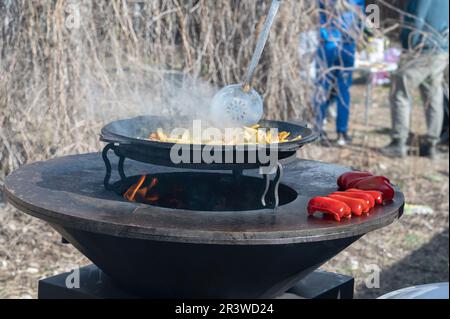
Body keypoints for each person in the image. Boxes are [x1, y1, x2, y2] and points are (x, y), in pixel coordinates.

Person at [381, 0, 449, 159]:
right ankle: (432, 144)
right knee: (434, 96)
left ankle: (399, 142)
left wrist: (406, 46)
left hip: (421, 50)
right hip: (441, 49)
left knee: (400, 92)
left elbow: (415, 18)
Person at [315, 0, 366, 146]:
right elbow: (361, 21)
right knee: (343, 90)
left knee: (322, 87)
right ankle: (342, 133)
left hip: (328, 44)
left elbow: (317, 15)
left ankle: (319, 129)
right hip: (347, 46)